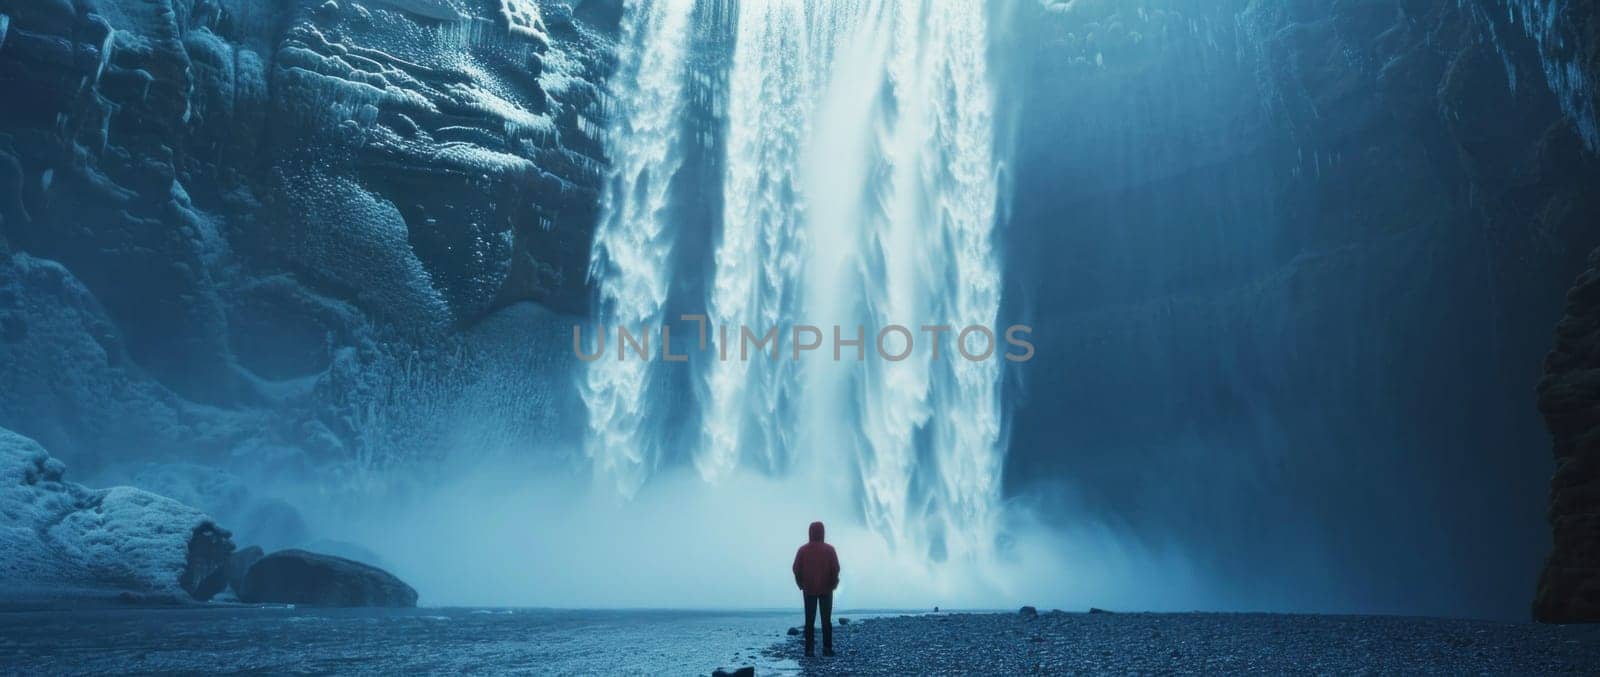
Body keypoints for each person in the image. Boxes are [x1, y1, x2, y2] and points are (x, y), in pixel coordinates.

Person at [792, 520, 840, 657]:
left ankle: (809, 649)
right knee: (826, 620)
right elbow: (835, 569)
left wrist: (800, 583)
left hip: (808, 589)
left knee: (809, 620)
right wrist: (834, 583)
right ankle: (827, 648)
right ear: (823, 532)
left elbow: (796, 569)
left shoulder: (803, 550)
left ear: (810, 532)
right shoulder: (830, 549)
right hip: (826, 589)